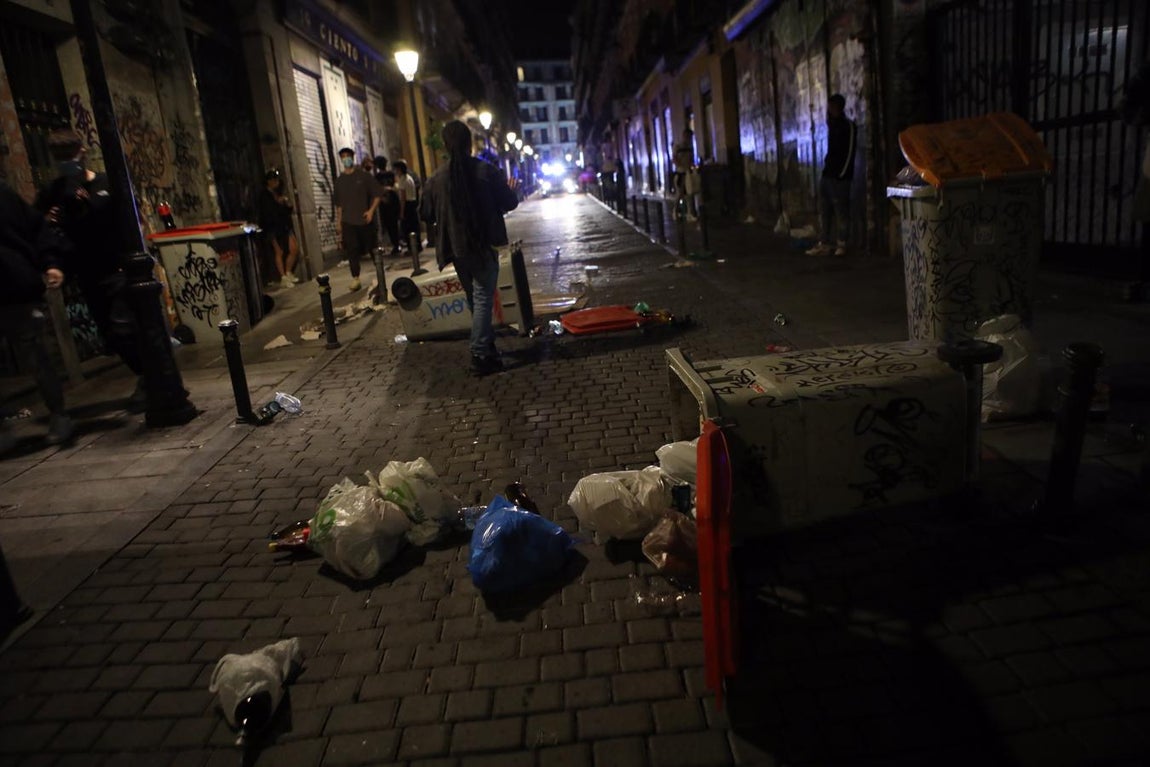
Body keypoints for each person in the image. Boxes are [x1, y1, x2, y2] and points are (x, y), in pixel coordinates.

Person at [36, 129, 146, 407]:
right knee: (110, 335)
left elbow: (129, 220)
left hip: (118, 267)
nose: (66, 162)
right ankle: (148, 374)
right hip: (86, 273)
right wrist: (48, 222)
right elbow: (41, 231)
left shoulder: (105, 184)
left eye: (69, 155)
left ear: (82, 153)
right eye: (60, 157)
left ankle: (150, 377)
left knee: (124, 328)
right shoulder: (53, 193)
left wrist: (92, 207)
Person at [420, 120, 519, 376]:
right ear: (469, 143)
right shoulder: (486, 171)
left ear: (444, 145)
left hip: (455, 248)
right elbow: (508, 203)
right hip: (483, 244)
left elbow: (425, 213)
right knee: (484, 297)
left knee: (475, 298)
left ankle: (487, 349)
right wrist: (510, 191)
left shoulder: (435, 179)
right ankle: (478, 351)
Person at [1, 180, 73, 451]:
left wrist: (51, 263)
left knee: (35, 355)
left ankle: (59, 415)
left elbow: (37, 228)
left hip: (14, 286)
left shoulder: (4, 196)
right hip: (15, 282)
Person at [806, 94, 857, 257]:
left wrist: (842, 174)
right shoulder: (832, 125)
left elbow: (849, 151)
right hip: (828, 175)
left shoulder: (847, 126)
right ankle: (825, 243)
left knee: (841, 211)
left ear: (839, 107)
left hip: (840, 178)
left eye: (832, 106)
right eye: (829, 106)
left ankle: (842, 243)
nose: (830, 109)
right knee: (825, 210)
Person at [332, 147, 381, 292]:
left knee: (372, 247)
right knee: (352, 250)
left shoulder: (364, 176)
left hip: (364, 219)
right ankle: (355, 278)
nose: (346, 159)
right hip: (348, 221)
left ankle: (379, 273)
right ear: (341, 159)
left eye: (348, 156)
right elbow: (339, 205)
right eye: (343, 157)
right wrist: (339, 223)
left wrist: (371, 211)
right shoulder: (339, 181)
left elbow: (377, 194)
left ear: (353, 157)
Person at [257, 169, 299, 288]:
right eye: (273, 180)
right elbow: (268, 213)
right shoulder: (265, 196)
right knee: (279, 251)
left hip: (284, 226)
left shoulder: (278, 193)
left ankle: (288, 271)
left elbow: (285, 210)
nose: (276, 182)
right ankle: (283, 277)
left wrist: (286, 204)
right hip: (272, 228)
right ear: (268, 182)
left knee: (294, 249)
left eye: (277, 180)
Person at [372, 155, 400, 254]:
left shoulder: (384, 176)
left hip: (390, 202)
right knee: (389, 225)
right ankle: (394, 244)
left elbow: (397, 185)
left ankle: (395, 244)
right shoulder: (380, 176)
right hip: (386, 202)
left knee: (391, 224)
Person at [393, 159, 421, 255]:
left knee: (408, 228)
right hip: (412, 203)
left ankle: (411, 248)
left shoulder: (403, 180)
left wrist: (401, 212)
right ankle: (418, 246)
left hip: (407, 205)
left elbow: (403, 197)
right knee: (414, 226)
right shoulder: (409, 178)